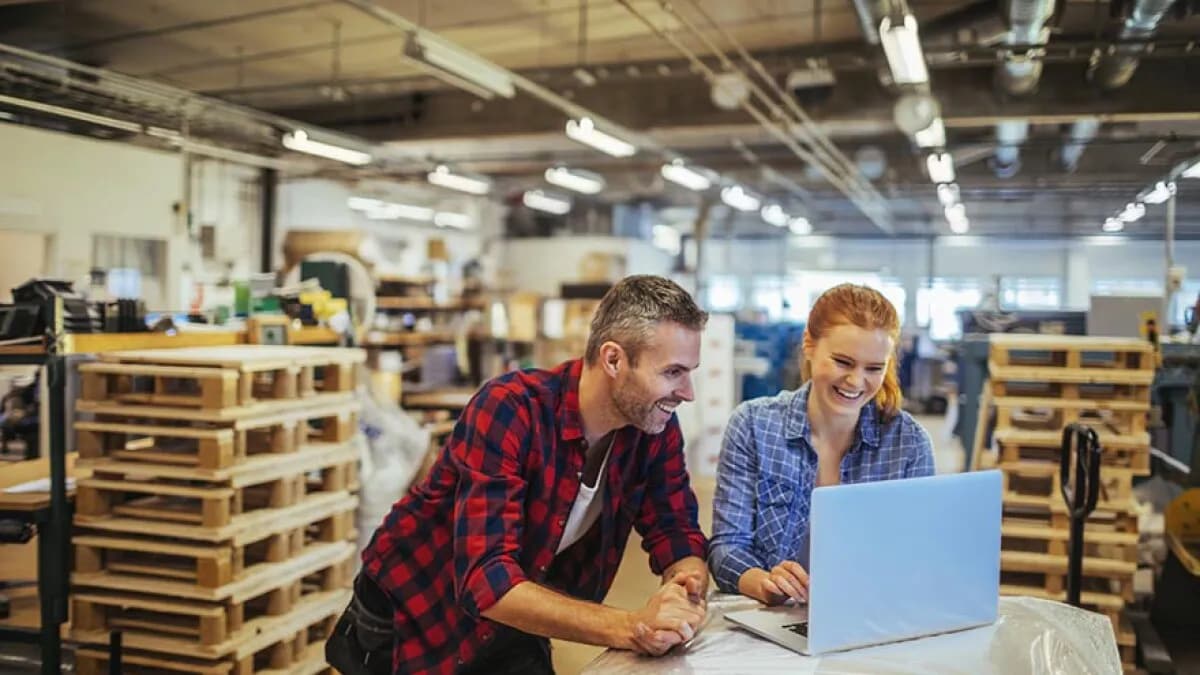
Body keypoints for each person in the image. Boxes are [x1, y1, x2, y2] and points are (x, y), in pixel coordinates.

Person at [328, 275, 711, 675]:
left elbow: (674, 527)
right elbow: (487, 580)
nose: (687, 393)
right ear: (613, 359)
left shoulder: (652, 427)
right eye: (673, 373)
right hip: (415, 618)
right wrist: (632, 626)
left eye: (690, 373)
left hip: (514, 620)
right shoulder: (510, 409)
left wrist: (684, 583)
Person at [708, 283, 935, 606]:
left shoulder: (908, 444)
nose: (856, 382)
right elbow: (726, 547)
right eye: (843, 362)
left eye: (874, 368)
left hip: (868, 615)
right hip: (770, 617)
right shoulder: (753, 426)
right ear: (809, 344)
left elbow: (919, 556)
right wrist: (765, 584)